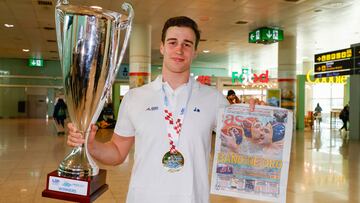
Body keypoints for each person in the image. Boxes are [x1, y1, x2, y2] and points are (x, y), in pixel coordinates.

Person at [67, 16, 255, 203]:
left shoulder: (213, 99)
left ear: (195, 51)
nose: (179, 49)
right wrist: (90, 145)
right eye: (173, 42)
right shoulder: (135, 98)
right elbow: (117, 153)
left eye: (187, 44)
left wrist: (255, 119)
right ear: (162, 47)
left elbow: (244, 146)